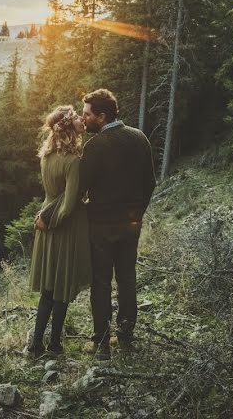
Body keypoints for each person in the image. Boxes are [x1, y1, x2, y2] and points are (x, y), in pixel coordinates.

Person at [79, 89, 156, 360]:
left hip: (100, 226)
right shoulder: (139, 138)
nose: (83, 119)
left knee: (101, 282)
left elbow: (80, 189)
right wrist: (137, 214)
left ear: (101, 116)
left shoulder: (95, 146)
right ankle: (125, 334)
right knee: (127, 278)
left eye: (87, 114)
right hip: (131, 225)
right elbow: (150, 183)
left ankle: (101, 343)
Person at [26, 105, 92, 357]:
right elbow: (70, 203)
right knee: (61, 288)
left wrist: (44, 218)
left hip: (47, 223)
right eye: (76, 116)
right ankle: (54, 345)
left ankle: (35, 346)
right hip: (63, 226)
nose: (80, 119)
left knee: (48, 289)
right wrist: (52, 220)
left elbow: (54, 195)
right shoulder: (73, 161)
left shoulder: (46, 155)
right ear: (67, 126)